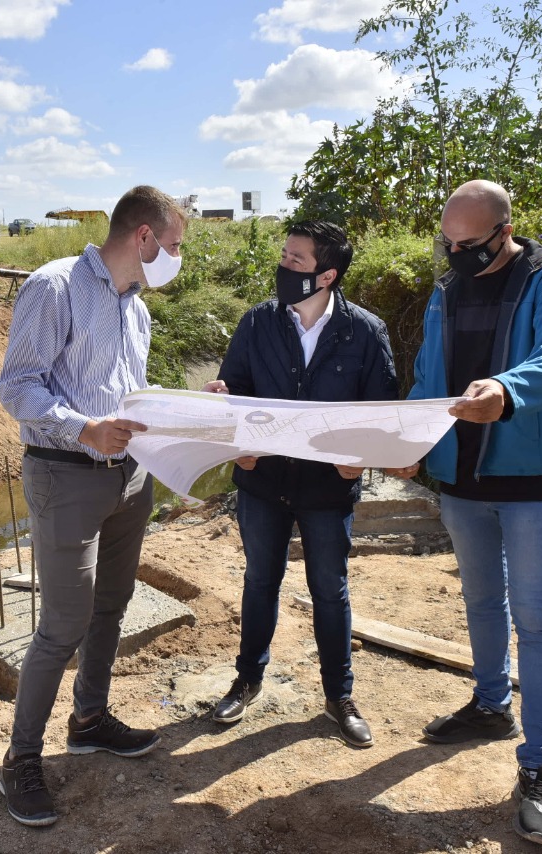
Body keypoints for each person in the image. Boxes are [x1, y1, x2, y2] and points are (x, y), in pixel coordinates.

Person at [400, 179, 542, 848]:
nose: (455, 256)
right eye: (446, 243)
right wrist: (411, 445)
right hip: (461, 476)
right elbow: (429, 370)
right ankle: (489, 705)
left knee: (536, 620)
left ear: (505, 233)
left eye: (469, 245)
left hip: (533, 477)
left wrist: (507, 391)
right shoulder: (448, 289)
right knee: (481, 600)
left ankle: (540, 763)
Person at [0, 185, 188, 828]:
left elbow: (128, 400)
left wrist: (191, 406)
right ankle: (21, 758)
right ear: (144, 238)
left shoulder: (137, 310)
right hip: (66, 475)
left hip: (130, 480)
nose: (176, 257)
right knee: (64, 620)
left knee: (112, 603)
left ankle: (89, 718)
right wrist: (83, 428)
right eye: (175, 245)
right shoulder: (54, 288)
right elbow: (17, 387)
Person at [205, 221, 398, 749]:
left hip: (326, 489)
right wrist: (224, 403)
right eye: (284, 256)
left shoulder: (364, 332)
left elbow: (381, 413)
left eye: (296, 260)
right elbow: (236, 392)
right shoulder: (257, 323)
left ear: (326, 274)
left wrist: (362, 461)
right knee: (259, 581)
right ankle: (247, 680)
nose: (284, 267)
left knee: (329, 591)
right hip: (263, 482)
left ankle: (340, 696)